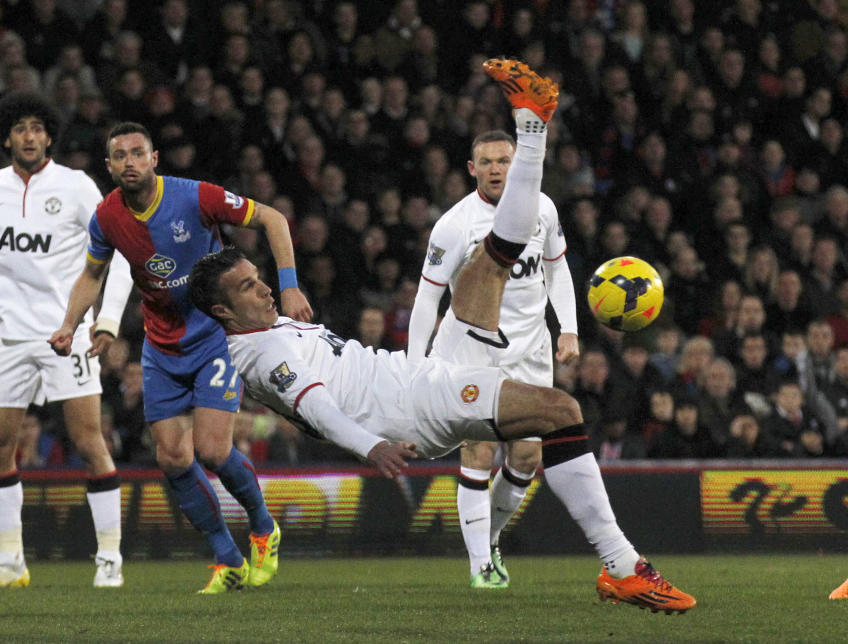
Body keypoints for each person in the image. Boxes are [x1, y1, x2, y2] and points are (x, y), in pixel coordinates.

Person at [190, 59, 696, 614]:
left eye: (258, 279)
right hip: (409, 409)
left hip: (414, 376)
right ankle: (621, 566)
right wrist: (371, 447)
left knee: (493, 260)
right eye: (248, 288)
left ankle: (533, 124)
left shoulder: (268, 323)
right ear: (221, 310)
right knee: (560, 410)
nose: (262, 290)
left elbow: (276, 248)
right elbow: (319, 409)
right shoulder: (260, 354)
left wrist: (285, 290)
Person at [49, 121, 313, 594]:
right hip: (161, 345)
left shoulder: (195, 197)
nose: (130, 161)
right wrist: (70, 323)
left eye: (138, 153)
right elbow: (92, 275)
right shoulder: (107, 217)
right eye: (119, 156)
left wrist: (289, 286)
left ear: (154, 159)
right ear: (109, 167)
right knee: (172, 457)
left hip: (215, 332)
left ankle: (262, 526)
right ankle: (227, 559)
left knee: (212, 450)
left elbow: (272, 218)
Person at [0, 92, 134, 589]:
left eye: (38, 128)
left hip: (68, 334)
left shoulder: (77, 186)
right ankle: (11, 561)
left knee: (89, 443)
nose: (29, 136)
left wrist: (106, 320)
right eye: (20, 127)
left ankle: (110, 558)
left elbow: (122, 252)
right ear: (6, 137)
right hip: (10, 337)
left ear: (49, 136)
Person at [407, 126, 578, 589]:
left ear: (517, 164)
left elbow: (558, 269)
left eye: (504, 160)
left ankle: (490, 541)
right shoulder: (454, 225)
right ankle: (480, 563)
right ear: (472, 169)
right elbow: (428, 300)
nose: (496, 169)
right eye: (486, 162)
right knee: (478, 446)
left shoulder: (542, 207)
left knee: (526, 456)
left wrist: (570, 329)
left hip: (532, 349)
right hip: (474, 352)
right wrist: (413, 363)